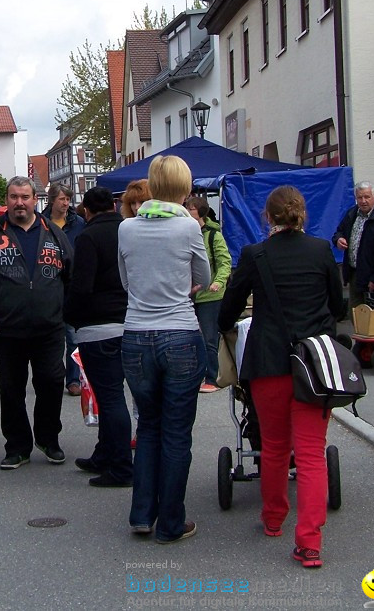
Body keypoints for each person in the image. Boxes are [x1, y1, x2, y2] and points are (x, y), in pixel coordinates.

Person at [219, 185, 344, 568]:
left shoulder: (254, 255)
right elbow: (338, 306)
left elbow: (229, 311)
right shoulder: (321, 251)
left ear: (267, 217)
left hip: (269, 363)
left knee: (273, 447)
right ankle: (309, 543)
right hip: (314, 366)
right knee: (310, 455)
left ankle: (273, 519)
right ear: (302, 214)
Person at [118, 156, 210, 543]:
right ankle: (171, 523)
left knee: (149, 426)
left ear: (153, 186)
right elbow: (203, 278)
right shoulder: (189, 226)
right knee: (176, 433)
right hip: (179, 333)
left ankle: (142, 513)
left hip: (137, 334)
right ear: (185, 189)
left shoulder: (126, 228)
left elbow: (126, 282)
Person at [0, 175, 73, 469]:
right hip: (7, 328)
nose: (20, 203)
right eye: (14, 197)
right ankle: (17, 446)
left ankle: (49, 439)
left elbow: (71, 274)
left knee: (51, 383)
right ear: (7, 200)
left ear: (35, 200)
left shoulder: (53, 232)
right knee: (11, 389)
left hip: (49, 328)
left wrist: (68, 312)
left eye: (25, 197)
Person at [64, 187, 132, 488]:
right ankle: (104, 453)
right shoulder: (129, 231)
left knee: (110, 397)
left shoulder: (88, 237)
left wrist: (70, 316)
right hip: (130, 321)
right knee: (112, 393)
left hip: (98, 325)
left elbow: (82, 285)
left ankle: (120, 466)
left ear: (87, 210)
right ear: (114, 205)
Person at [42, 183, 86, 396]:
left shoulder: (78, 223)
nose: (66, 203)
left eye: (68, 199)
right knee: (48, 334)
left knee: (72, 335)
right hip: (47, 283)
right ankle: (50, 375)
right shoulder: (41, 222)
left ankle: (73, 379)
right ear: (52, 200)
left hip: (71, 284)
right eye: (62, 199)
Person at [185, 196, 232, 394]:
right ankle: (193, 376)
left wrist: (218, 282)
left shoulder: (213, 235)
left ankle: (212, 377)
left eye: (193, 211)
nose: (189, 214)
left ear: (202, 214)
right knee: (188, 338)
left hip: (210, 296)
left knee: (209, 338)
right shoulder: (184, 233)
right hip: (187, 296)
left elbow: (224, 262)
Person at [332, 181, 374, 314]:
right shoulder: (352, 214)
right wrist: (339, 239)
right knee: (355, 314)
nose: (363, 201)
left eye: (367, 197)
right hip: (355, 274)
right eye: (359, 198)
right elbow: (339, 231)